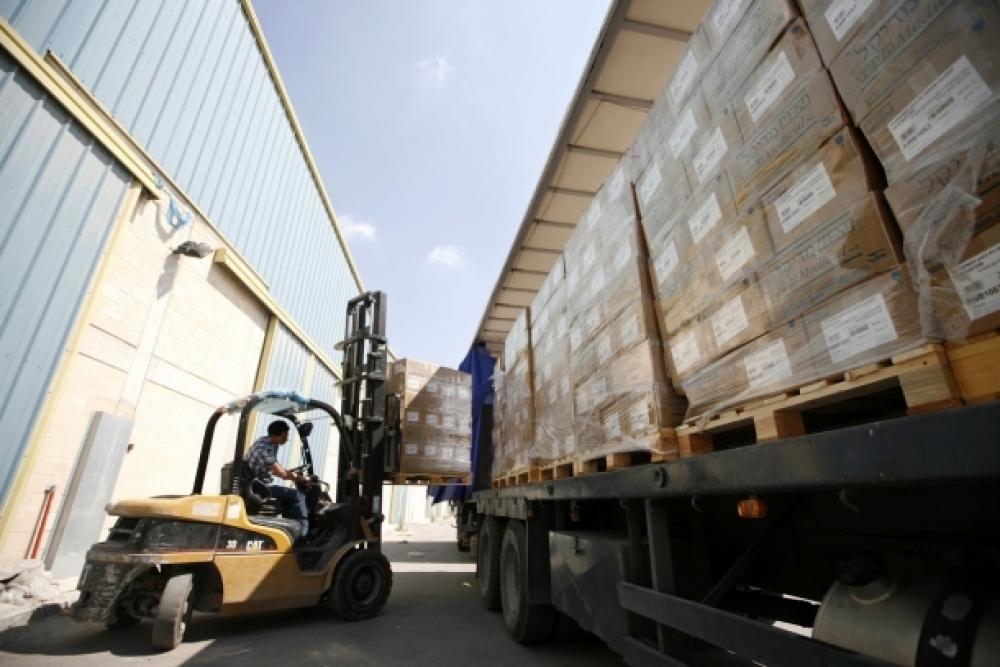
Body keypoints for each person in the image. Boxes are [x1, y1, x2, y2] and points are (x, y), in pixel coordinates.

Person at [246, 420, 309, 537]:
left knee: (286, 497)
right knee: (298, 495)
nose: (287, 439)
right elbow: (281, 473)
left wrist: (290, 474)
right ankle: (303, 535)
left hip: (258, 484)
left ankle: (288, 530)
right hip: (259, 488)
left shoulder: (267, 442)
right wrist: (299, 478)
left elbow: (273, 469)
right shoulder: (263, 449)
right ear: (275, 435)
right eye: (284, 436)